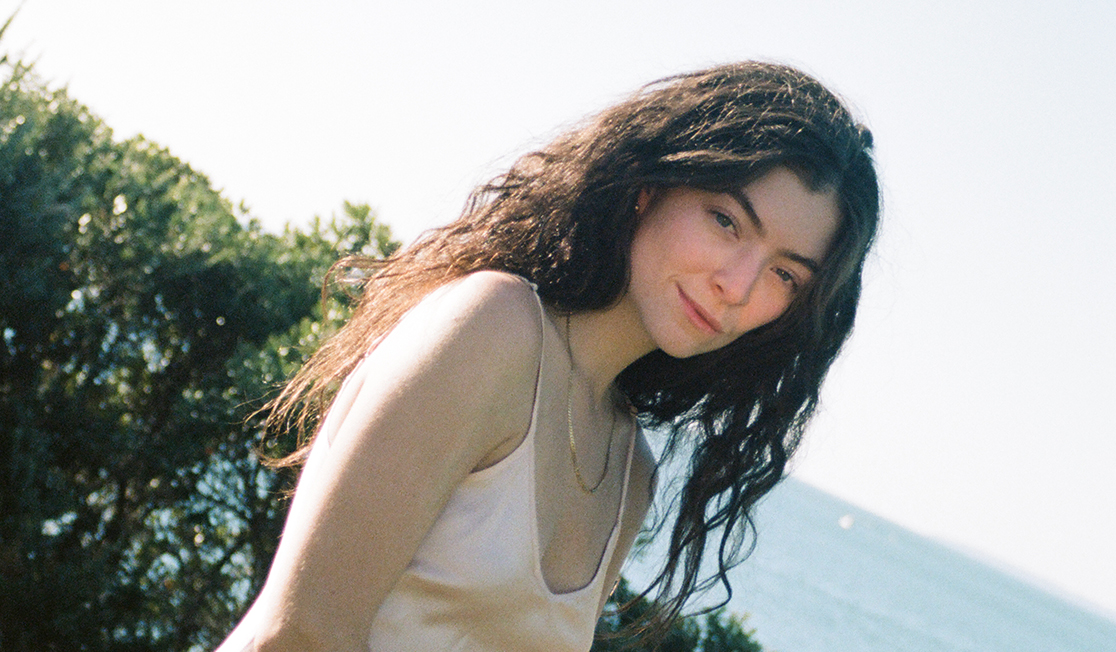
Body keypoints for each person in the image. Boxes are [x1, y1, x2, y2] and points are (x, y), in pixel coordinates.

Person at [216, 61, 880, 652]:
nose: (737, 286)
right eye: (726, 221)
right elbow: (298, 634)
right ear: (652, 185)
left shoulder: (630, 475)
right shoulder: (492, 329)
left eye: (785, 275)